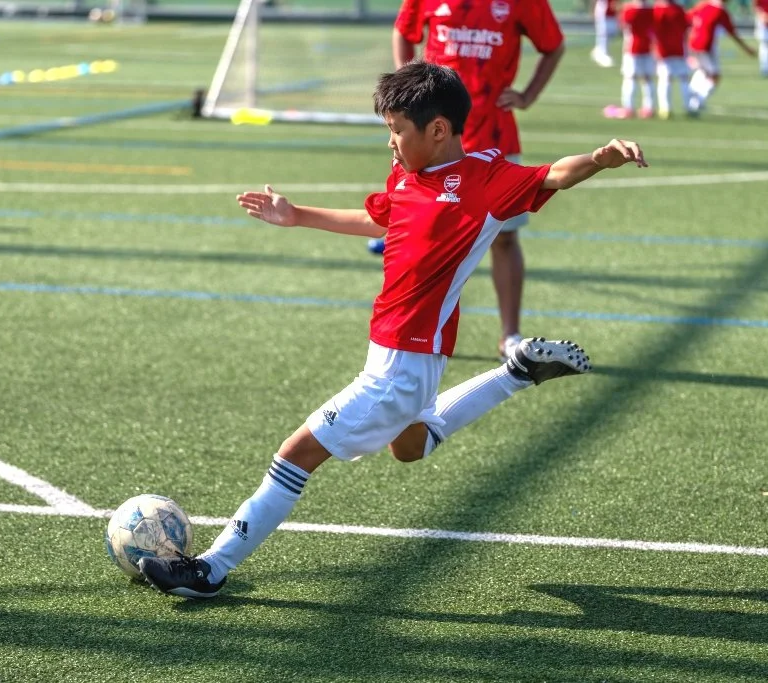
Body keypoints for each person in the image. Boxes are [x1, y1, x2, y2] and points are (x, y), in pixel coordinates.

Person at [137, 62, 647, 600]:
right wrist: (296, 215)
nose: (390, 143)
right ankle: (515, 374)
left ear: (438, 130)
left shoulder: (485, 180)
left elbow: (553, 175)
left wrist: (599, 159)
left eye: (397, 130)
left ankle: (211, 569)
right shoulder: (405, 176)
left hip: (402, 365)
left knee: (296, 455)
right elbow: (380, 219)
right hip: (407, 358)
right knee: (410, 446)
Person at [368, 0, 568, 363]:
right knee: (415, 230)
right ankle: (411, 332)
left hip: (494, 134)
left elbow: (553, 45)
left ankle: (510, 334)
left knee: (505, 237)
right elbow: (404, 30)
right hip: (432, 138)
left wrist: (527, 95)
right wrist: (409, 91)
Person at [686, 0, 756, 114]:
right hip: (705, 46)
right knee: (715, 77)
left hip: (693, 43)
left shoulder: (704, 5)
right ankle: (697, 102)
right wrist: (747, 49)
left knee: (702, 71)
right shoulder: (720, 11)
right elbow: (732, 33)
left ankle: (691, 99)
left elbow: (688, 18)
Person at [604, 0, 656, 119]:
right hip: (648, 46)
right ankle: (649, 107)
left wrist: (620, 10)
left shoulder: (631, 10)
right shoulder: (651, 10)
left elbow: (622, 25)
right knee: (647, 78)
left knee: (630, 77)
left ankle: (628, 107)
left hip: (633, 47)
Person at [652, 0, 692, 118]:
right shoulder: (679, 9)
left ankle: (665, 108)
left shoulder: (657, 9)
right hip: (678, 47)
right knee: (684, 77)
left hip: (663, 48)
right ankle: (688, 106)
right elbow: (686, 28)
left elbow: (654, 30)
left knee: (665, 78)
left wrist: (654, 47)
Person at [593, 0, 621, 67]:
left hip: (612, 13)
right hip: (604, 12)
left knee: (612, 32)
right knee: (603, 35)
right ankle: (602, 53)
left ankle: (598, 50)